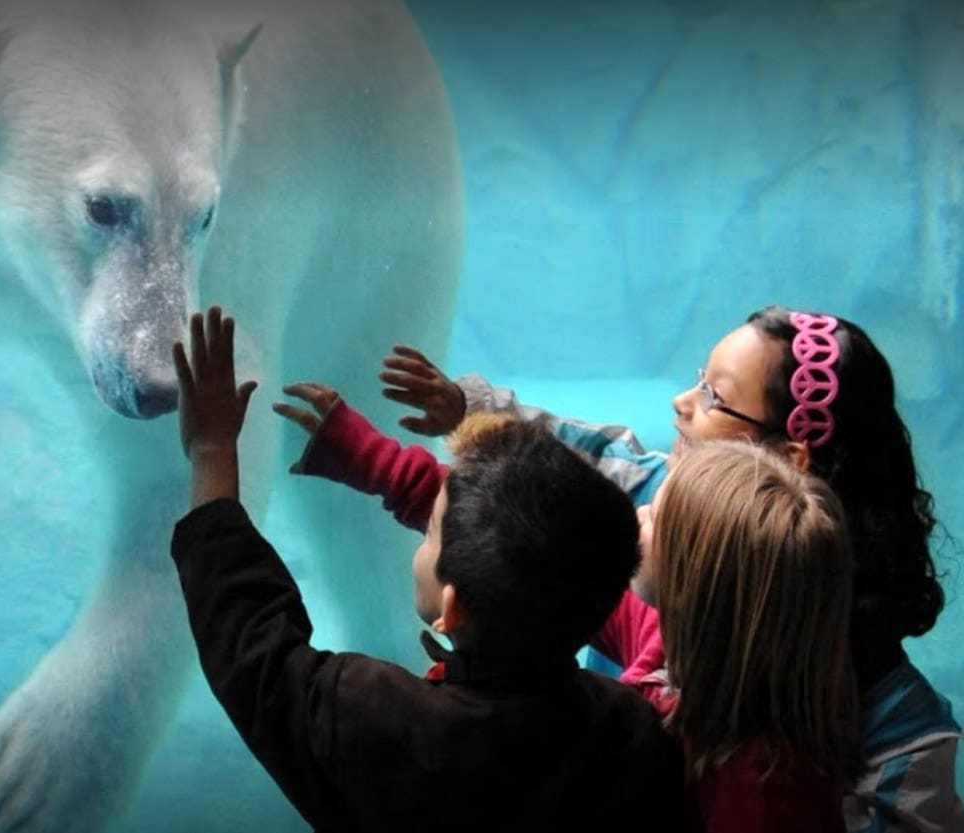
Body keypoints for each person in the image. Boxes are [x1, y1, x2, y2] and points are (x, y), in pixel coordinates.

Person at [282, 305, 963, 832]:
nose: (680, 402)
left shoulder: (881, 741)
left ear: (789, 462)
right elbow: (516, 536)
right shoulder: (662, 615)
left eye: (715, 396)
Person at [169, 306, 688, 832]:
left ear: (452, 607)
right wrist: (376, 462)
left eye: (434, 530)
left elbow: (254, 650)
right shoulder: (641, 734)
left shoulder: (380, 724)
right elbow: (576, 559)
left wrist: (211, 452)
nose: (426, 535)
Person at [641, 439, 860, 832]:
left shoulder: (760, 791)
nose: (638, 516)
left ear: (691, 583)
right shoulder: (696, 665)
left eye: (654, 517)